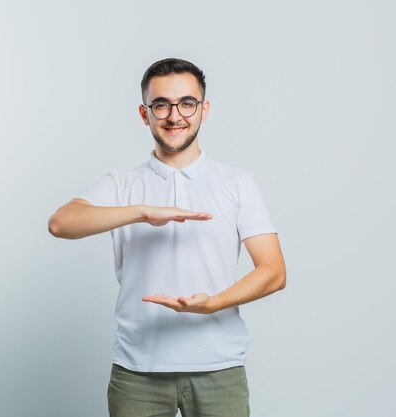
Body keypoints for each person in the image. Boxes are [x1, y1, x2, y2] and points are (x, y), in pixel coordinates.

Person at [48, 58, 286, 417]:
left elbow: (273, 272)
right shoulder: (123, 184)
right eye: (161, 105)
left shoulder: (237, 183)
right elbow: (61, 223)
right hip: (137, 371)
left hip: (219, 366)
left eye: (186, 103)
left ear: (203, 110)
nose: (175, 115)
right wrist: (143, 211)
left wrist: (213, 304)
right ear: (145, 114)